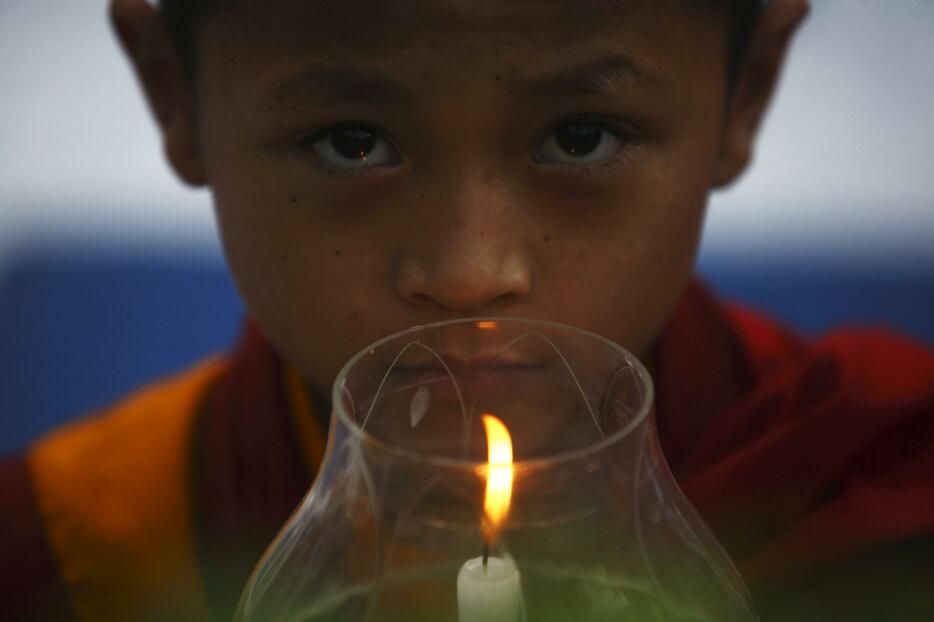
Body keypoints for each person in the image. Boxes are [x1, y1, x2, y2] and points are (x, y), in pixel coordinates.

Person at [2, 0, 932, 620]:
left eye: (580, 135)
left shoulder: (884, 498)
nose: (468, 274)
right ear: (177, 96)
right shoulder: (63, 555)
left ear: (748, 90)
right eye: (352, 140)